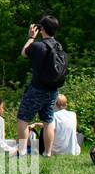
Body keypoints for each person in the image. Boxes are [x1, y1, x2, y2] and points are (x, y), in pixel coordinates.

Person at [18, 15, 66, 156]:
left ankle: (21, 151)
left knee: (23, 118)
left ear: (42, 29)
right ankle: (48, 152)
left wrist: (31, 37)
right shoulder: (58, 46)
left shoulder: (38, 46)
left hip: (37, 88)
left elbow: (24, 53)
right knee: (48, 119)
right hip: (53, 90)